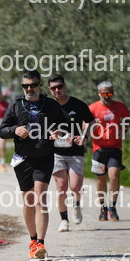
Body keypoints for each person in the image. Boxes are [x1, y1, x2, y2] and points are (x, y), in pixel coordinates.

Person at [0, 70, 67, 259]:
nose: (29, 89)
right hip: (23, 159)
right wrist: (15, 130)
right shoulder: (16, 105)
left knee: (40, 200)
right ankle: (33, 240)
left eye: (33, 85)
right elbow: (2, 130)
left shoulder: (51, 105)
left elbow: (65, 124)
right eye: (26, 86)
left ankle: (41, 244)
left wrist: (58, 132)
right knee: (29, 202)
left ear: (40, 85)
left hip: (44, 156)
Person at [48, 74, 94, 232]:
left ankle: (77, 204)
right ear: (49, 89)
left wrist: (85, 137)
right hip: (56, 153)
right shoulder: (48, 106)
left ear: (65, 86)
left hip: (75, 152)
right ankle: (64, 220)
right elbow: (42, 125)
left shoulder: (77, 104)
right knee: (61, 188)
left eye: (59, 87)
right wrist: (51, 134)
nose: (57, 90)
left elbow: (91, 122)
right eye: (53, 88)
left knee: (75, 187)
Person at [88, 81, 130, 221]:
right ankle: (103, 207)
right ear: (99, 93)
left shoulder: (120, 107)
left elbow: (126, 119)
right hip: (98, 149)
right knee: (101, 179)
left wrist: (123, 129)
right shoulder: (92, 108)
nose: (107, 96)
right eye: (104, 93)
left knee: (114, 175)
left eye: (110, 93)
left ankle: (112, 207)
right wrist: (92, 128)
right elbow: (85, 126)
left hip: (115, 148)